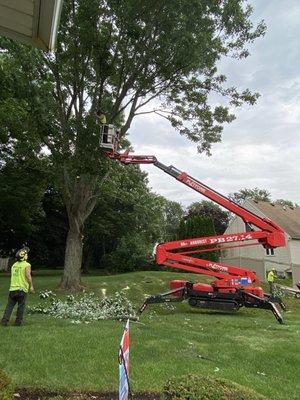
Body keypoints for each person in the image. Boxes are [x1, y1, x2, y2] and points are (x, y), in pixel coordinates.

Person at [1, 247, 34, 326]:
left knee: (9, 306)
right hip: (22, 289)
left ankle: (4, 321)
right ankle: (18, 322)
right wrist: (31, 286)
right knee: (21, 306)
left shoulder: (14, 265)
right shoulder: (27, 265)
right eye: (26, 254)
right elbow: (28, 275)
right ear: (24, 256)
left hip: (12, 289)